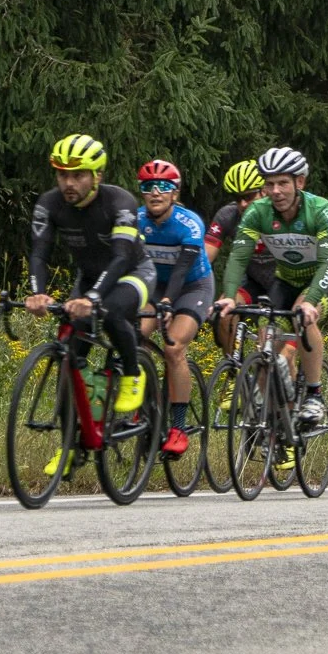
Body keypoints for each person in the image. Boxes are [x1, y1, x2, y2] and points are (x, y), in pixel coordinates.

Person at [25, 134, 157, 476]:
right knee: (69, 352)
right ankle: (72, 443)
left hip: (133, 273)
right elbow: (39, 252)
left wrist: (93, 299)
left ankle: (131, 374)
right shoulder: (49, 204)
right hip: (88, 278)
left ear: (96, 175)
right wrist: (38, 293)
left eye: (78, 175)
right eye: (62, 174)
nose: (69, 183)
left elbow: (121, 256)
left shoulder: (120, 201)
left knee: (111, 311)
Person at [215, 147, 328, 432]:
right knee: (267, 344)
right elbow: (238, 256)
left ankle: (315, 395)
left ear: (299, 182)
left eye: (282, 183)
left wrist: (311, 301)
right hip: (285, 278)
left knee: (302, 316)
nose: (275, 190)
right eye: (269, 183)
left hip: (326, 276)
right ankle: (275, 422)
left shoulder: (322, 210)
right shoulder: (257, 212)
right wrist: (228, 296)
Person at [135, 159, 213, 457]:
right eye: (147, 186)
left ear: (175, 193)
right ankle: (140, 402)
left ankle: (179, 426)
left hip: (192, 287)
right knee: (132, 337)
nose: (155, 192)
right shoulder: (135, 220)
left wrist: (168, 303)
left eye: (164, 186)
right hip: (154, 286)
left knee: (173, 348)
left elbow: (182, 269)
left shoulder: (189, 223)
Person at [205, 160, 272, 353]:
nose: (243, 204)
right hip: (253, 281)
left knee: (267, 341)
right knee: (224, 314)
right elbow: (204, 257)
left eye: (249, 196)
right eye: (238, 198)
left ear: (264, 191)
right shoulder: (228, 215)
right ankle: (233, 365)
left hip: (281, 281)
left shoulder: (279, 216)